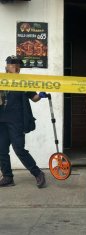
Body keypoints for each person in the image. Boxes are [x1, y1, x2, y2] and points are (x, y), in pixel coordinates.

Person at [0, 55, 47, 188]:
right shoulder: (1, 80)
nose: (15, 66)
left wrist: (41, 95)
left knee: (19, 149)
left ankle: (38, 173)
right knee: (1, 150)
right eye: (12, 64)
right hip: (1, 121)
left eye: (18, 64)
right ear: (7, 66)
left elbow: (34, 98)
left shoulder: (23, 82)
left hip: (17, 121)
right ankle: (8, 177)